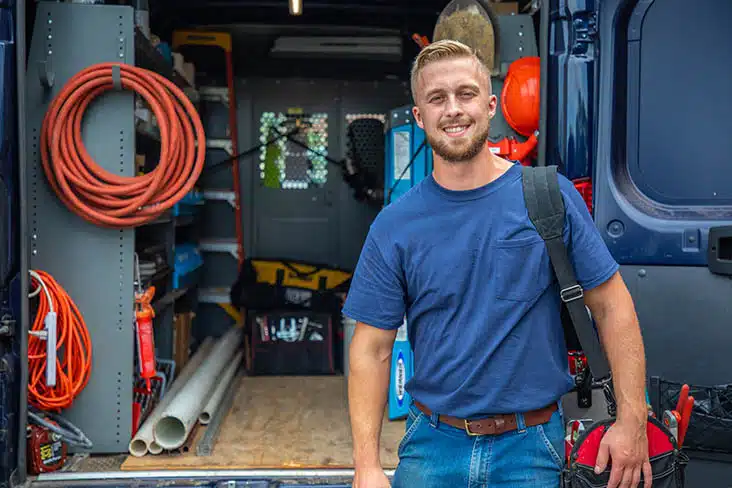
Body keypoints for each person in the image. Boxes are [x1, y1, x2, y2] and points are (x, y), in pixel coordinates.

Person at [343, 39, 652, 488]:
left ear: (490, 106)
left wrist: (632, 421)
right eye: (437, 98)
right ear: (419, 116)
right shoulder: (395, 225)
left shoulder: (548, 197)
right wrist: (367, 466)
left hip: (531, 451)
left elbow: (612, 306)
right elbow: (371, 349)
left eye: (466, 94)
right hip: (432, 449)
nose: (453, 109)